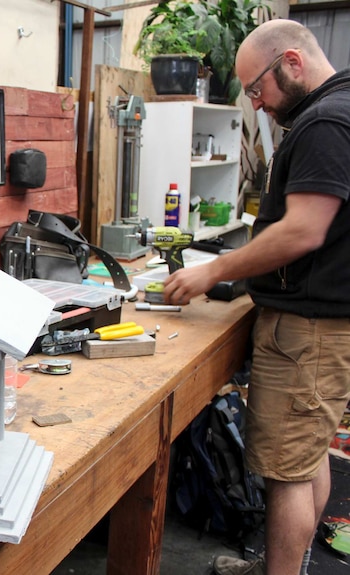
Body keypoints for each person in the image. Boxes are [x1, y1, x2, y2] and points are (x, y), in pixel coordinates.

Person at [162, 18, 350, 575]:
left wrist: (213, 270)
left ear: (291, 62)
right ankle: (285, 565)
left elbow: (303, 231)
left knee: (287, 470)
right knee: (307, 455)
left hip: (307, 333)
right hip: (317, 327)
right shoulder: (335, 112)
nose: (258, 104)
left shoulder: (325, 122)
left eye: (256, 89)